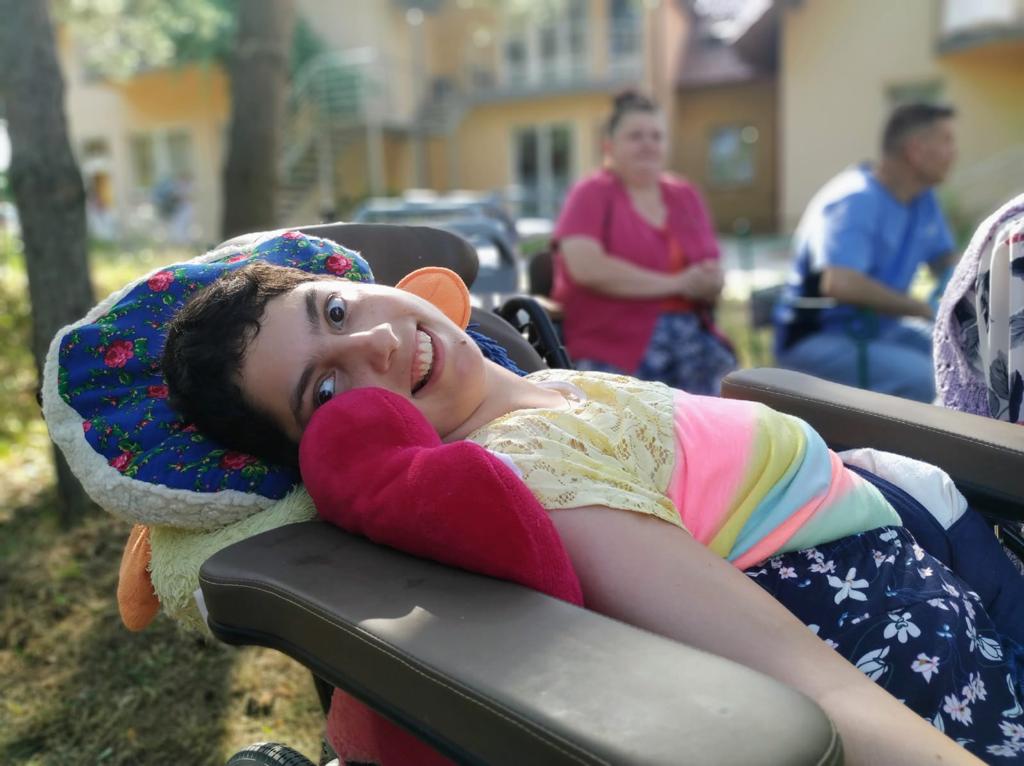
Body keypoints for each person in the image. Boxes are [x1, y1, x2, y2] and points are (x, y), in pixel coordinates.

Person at [163, 258, 1024, 764]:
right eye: (325, 389)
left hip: (935, 556)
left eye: (336, 309)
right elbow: (813, 685)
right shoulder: (534, 469)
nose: (375, 343)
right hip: (922, 671)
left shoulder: (538, 388)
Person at [551, 91, 736, 395]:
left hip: (693, 336)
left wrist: (711, 281)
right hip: (614, 339)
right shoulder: (591, 193)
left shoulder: (685, 195)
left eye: (656, 136)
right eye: (636, 136)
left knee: (732, 402)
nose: (648, 144)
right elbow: (586, 267)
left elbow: (710, 264)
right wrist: (677, 283)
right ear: (609, 146)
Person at [773, 102, 959, 402]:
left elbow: (946, 261)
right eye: (947, 141)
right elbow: (840, 283)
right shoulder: (853, 199)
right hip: (818, 338)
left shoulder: (923, 199)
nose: (954, 153)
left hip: (880, 330)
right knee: (928, 379)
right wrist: (921, 308)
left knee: (967, 359)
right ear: (916, 150)